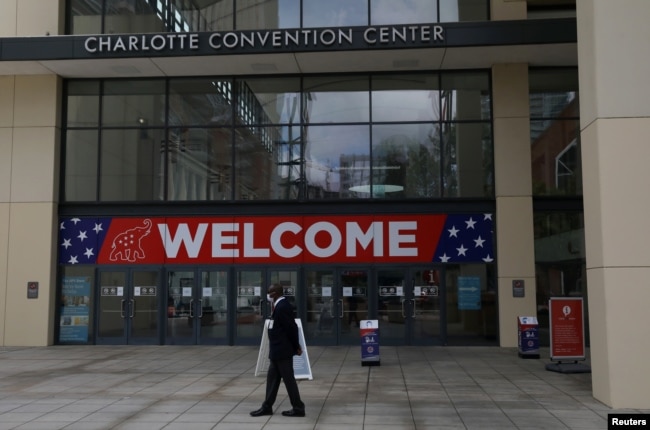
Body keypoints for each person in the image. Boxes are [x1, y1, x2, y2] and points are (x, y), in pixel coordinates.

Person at [250, 284, 306, 418]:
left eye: (269, 292)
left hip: (283, 350)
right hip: (277, 350)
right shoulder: (279, 306)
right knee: (272, 379)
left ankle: (298, 407)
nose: (267, 295)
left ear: (275, 293)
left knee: (288, 380)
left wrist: (296, 346)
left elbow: (291, 328)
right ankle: (267, 407)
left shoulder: (282, 307)